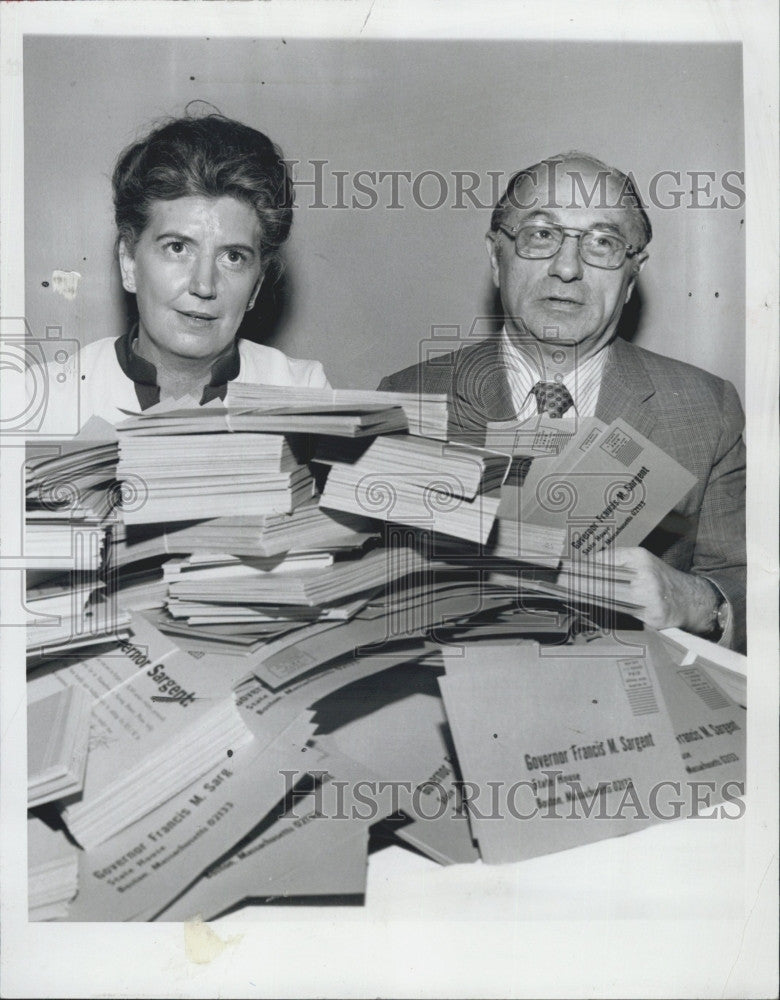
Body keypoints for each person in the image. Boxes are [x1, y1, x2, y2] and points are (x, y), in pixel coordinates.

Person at [378, 152, 746, 652]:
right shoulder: (405, 404)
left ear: (632, 275)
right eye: (541, 234)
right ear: (495, 257)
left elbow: (751, 585)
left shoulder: (706, 408)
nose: (567, 268)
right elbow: (369, 600)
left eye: (602, 242)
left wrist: (697, 601)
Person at [39, 113, 328, 429]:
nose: (204, 285)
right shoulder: (42, 400)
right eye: (177, 248)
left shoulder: (304, 398)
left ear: (256, 285)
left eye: (233, 257)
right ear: (129, 262)